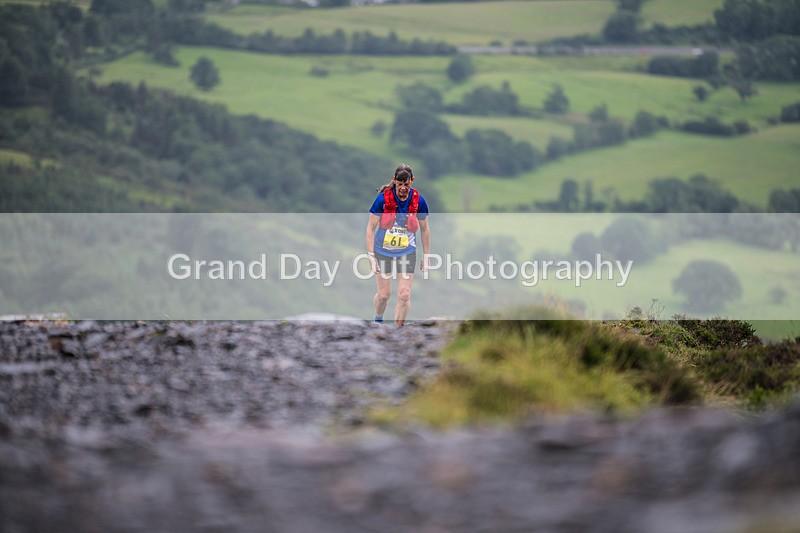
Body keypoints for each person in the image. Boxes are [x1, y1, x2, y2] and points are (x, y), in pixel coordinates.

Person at [366, 163, 430, 326]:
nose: (402, 188)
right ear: (394, 181)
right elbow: (370, 228)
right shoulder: (382, 200)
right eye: (399, 184)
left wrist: (427, 256)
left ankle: (397, 332)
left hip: (407, 252)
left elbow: (424, 229)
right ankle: (378, 321)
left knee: (404, 294)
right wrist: (371, 255)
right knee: (384, 295)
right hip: (383, 252)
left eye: (406, 184)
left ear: (412, 181)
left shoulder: (418, 201)